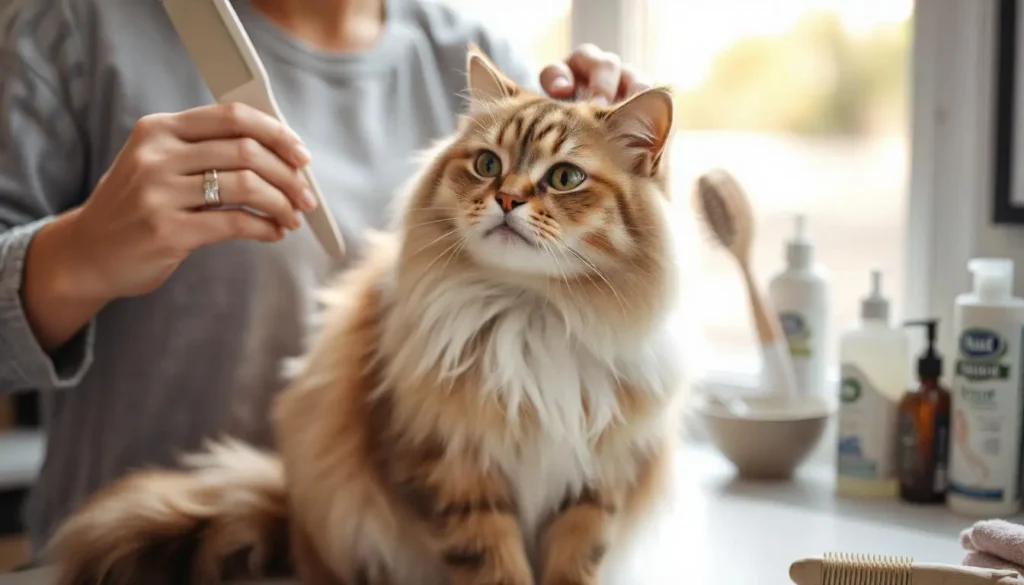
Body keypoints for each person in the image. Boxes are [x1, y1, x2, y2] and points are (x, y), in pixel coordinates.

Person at [0, 0, 649, 560]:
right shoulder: (76, 28)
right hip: (139, 557)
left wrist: (634, 186)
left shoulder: (476, 59)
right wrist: (79, 253)